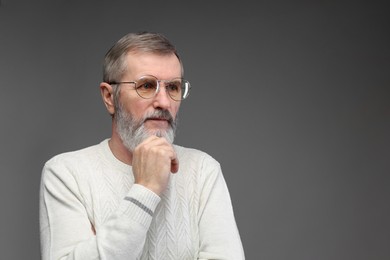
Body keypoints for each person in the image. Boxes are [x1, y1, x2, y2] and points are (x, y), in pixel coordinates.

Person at [39, 32, 245, 260]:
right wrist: (145, 189)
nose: (164, 102)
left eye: (173, 88)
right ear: (109, 97)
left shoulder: (204, 170)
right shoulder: (66, 173)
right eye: (147, 86)